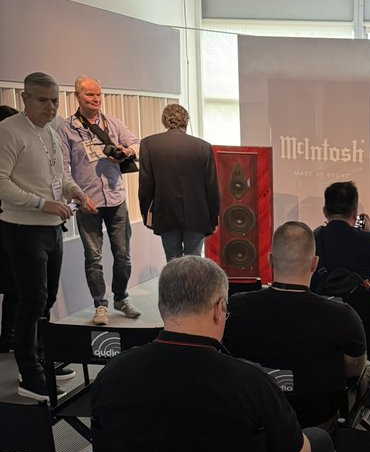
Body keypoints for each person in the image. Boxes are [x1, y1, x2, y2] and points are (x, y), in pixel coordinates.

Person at [91, 256, 334, 452]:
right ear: (220, 309)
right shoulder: (251, 382)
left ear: (163, 307)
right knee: (319, 442)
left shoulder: (111, 375)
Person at [224, 221, 370, 429]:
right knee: (369, 368)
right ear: (314, 263)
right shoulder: (343, 315)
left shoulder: (235, 307)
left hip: (251, 418)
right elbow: (353, 369)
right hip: (317, 420)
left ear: (270, 260)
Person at [0, 73, 96, 402]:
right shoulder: (9, 131)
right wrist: (42, 204)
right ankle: (29, 374)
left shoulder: (51, 131)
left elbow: (59, 175)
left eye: (55, 101)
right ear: (25, 99)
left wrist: (75, 191)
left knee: (47, 300)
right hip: (23, 229)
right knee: (31, 301)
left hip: (52, 227)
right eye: (42, 100)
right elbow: (1, 182)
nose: (50, 107)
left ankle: (41, 358)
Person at [57, 76, 141, 325]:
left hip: (116, 198)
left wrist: (126, 151)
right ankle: (100, 305)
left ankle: (121, 297)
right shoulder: (66, 129)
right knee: (93, 258)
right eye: (90, 95)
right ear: (77, 96)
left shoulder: (112, 123)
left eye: (98, 94)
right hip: (88, 202)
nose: (96, 99)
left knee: (123, 255)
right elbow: (63, 168)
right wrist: (78, 196)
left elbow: (137, 143)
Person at [138, 104, 219, 262]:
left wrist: (146, 214)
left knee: (172, 260)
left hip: (165, 212)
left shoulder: (149, 144)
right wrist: (214, 217)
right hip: (198, 214)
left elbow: (145, 185)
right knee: (194, 260)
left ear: (164, 120)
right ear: (186, 121)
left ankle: (174, 280)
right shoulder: (203, 147)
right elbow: (211, 186)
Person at [312, 180, 370, 291]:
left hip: (321, 301)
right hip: (359, 302)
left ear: (325, 211)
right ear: (355, 212)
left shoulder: (312, 239)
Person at [0, 104, 19, 353]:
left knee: (15, 288)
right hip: (10, 228)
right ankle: (12, 339)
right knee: (17, 286)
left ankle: (8, 338)